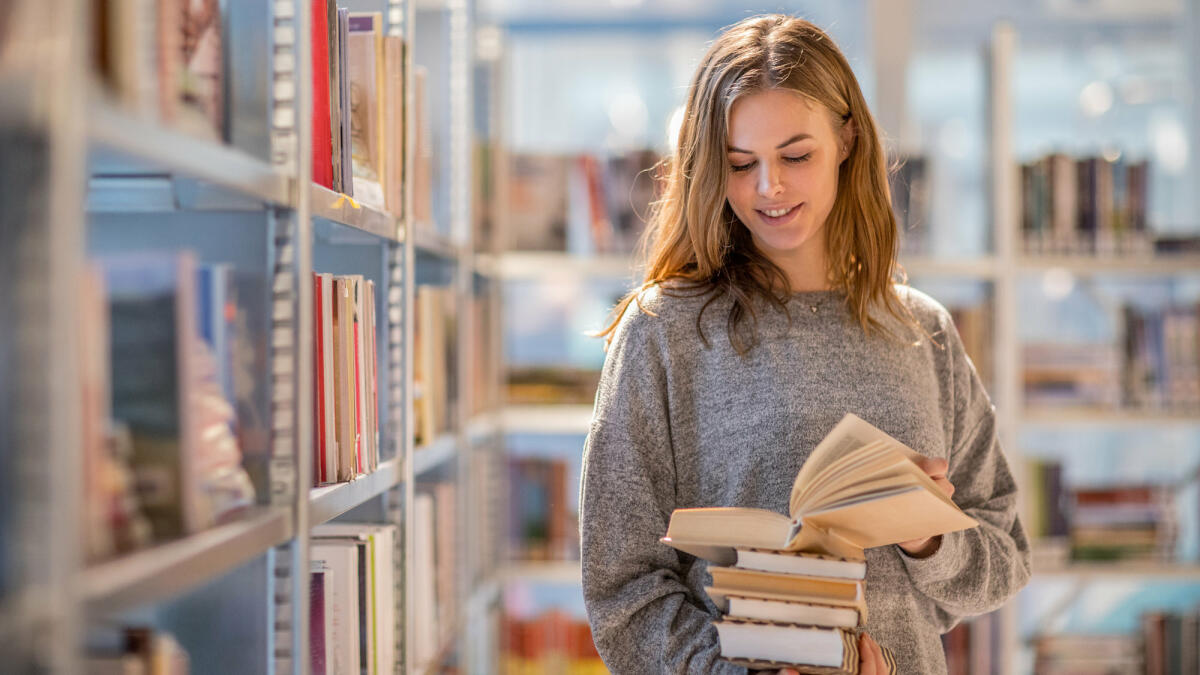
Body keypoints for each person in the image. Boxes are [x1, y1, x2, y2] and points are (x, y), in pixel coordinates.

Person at [579, 14, 1031, 674]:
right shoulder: (664, 333)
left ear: (847, 139)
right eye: (741, 163)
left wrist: (929, 535)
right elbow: (622, 593)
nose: (770, 187)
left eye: (796, 155)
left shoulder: (923, 330)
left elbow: (1007, 557)